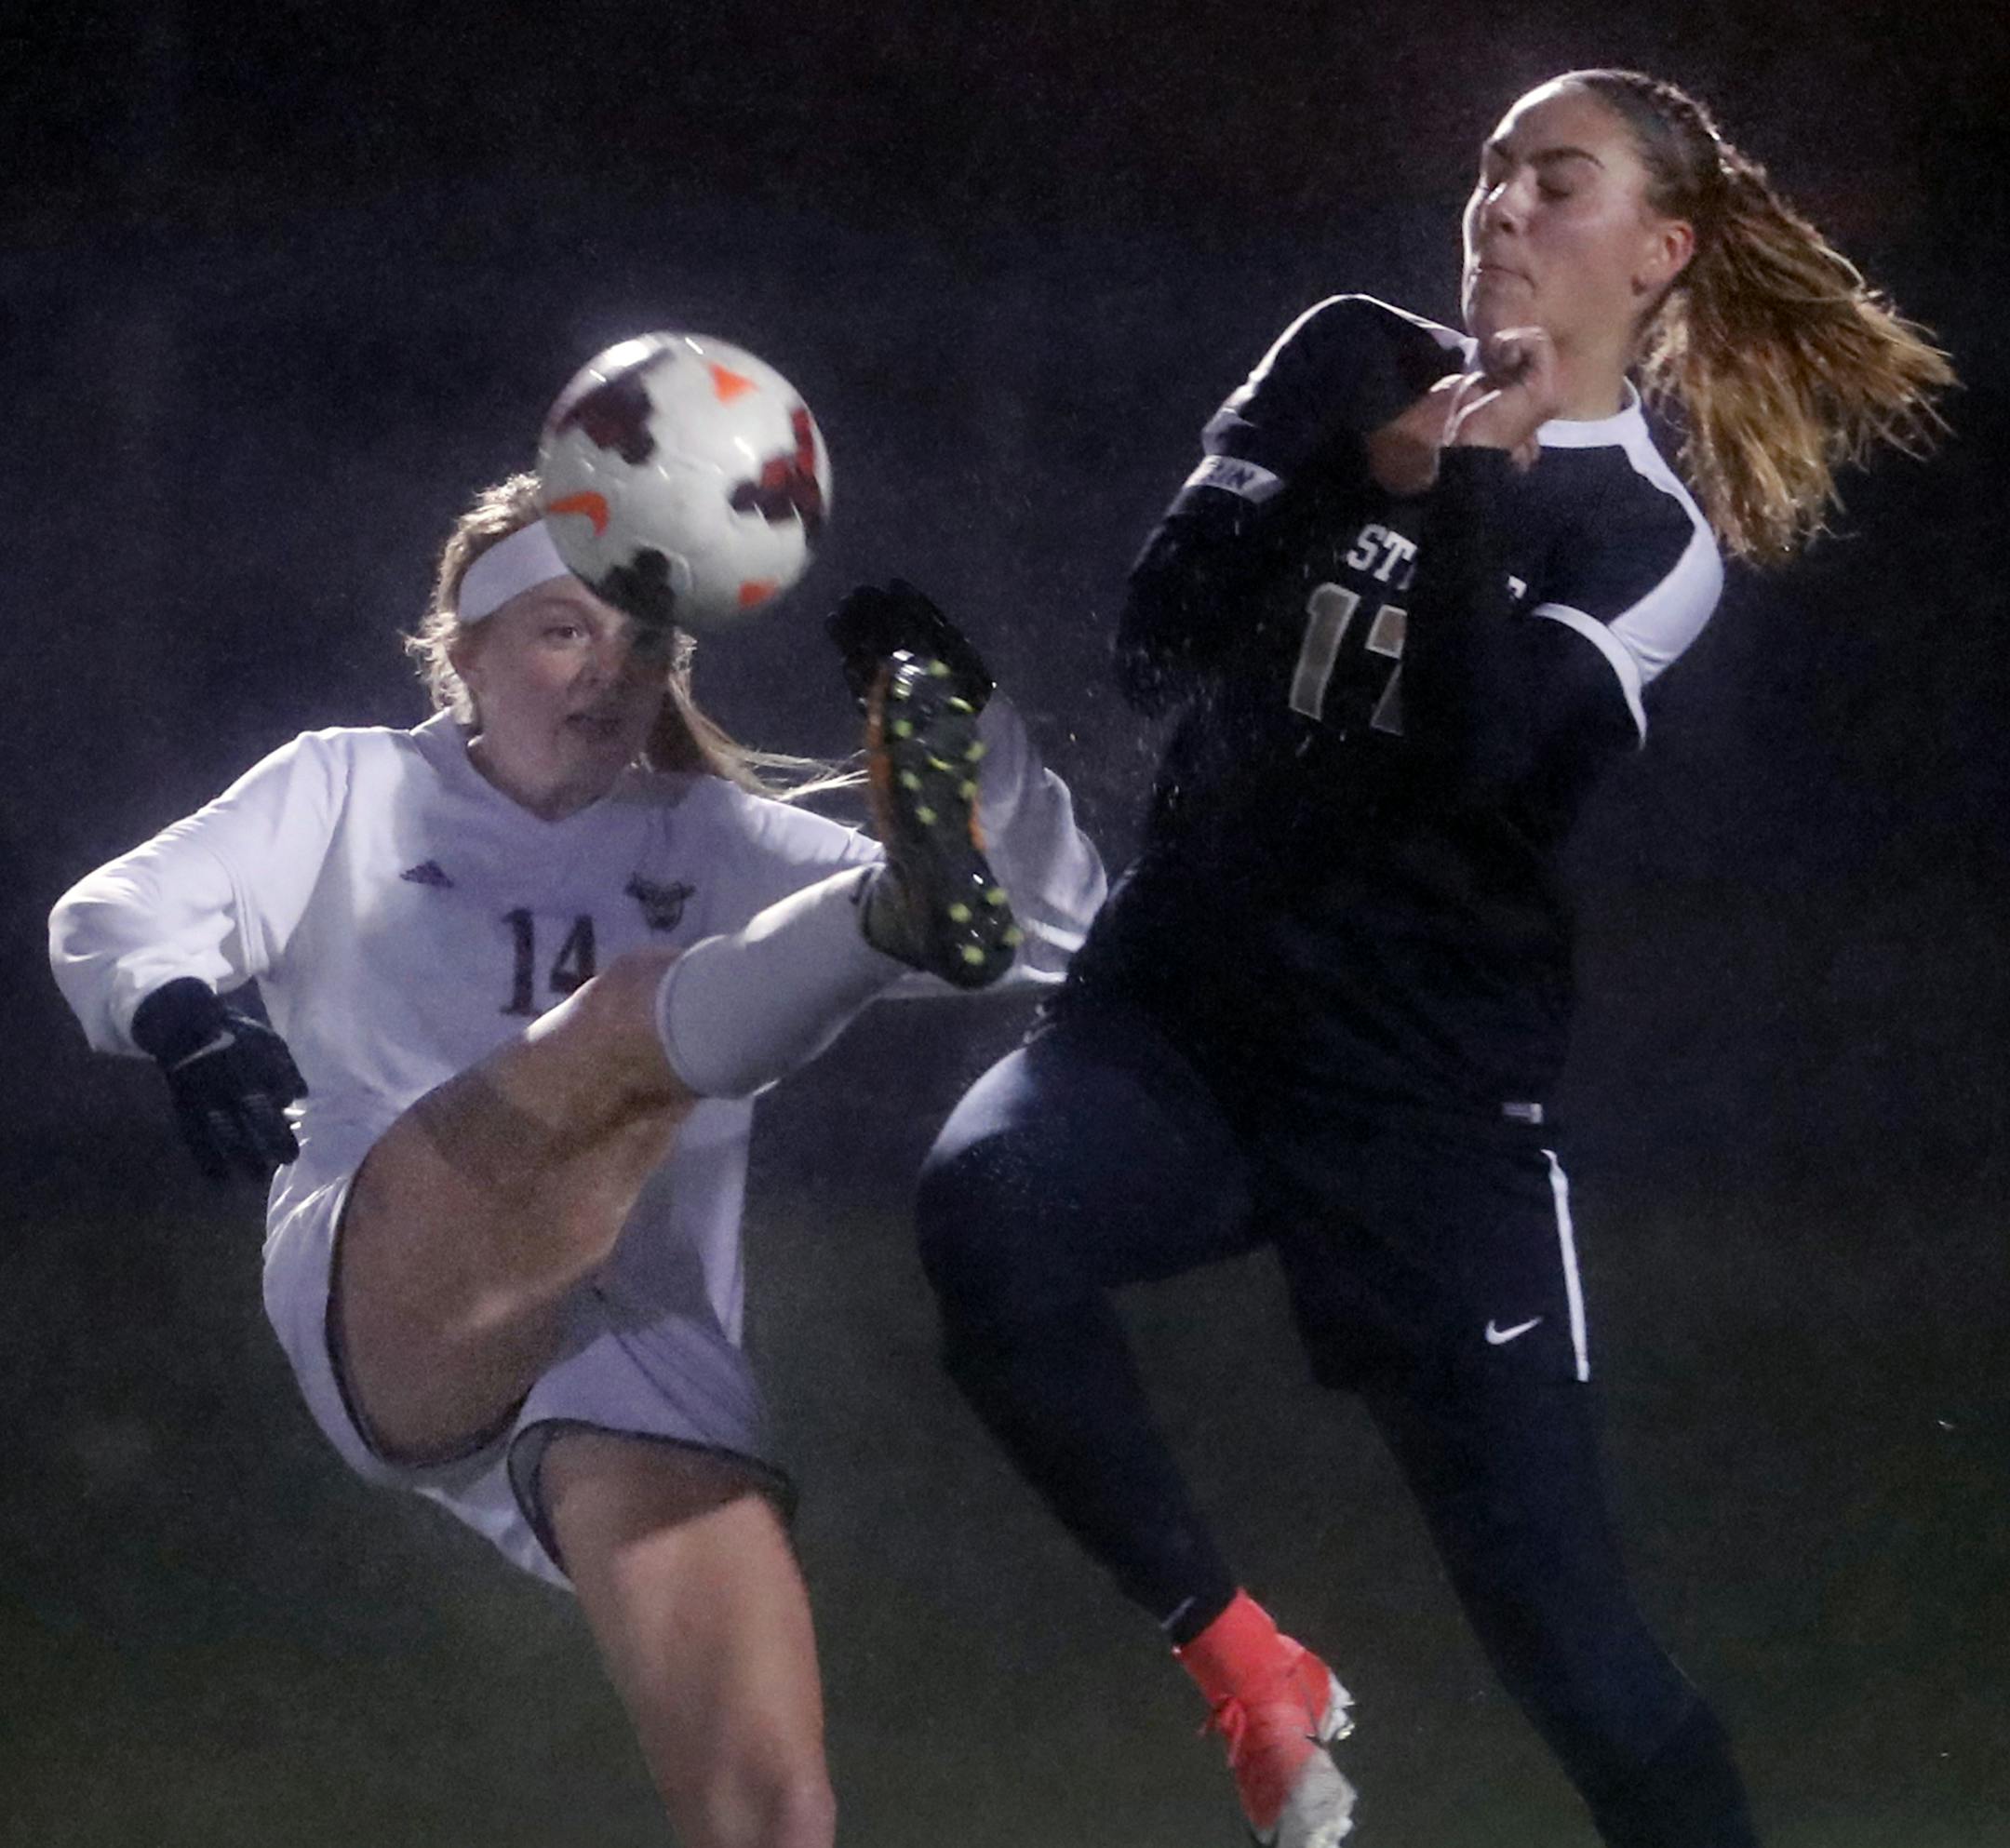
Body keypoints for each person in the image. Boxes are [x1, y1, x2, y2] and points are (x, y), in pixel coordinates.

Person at [914, 68, 1952, 1848]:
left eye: (1560, 183)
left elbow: (1479, 773)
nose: (1502, 208)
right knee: (984, 1206)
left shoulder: (1651, 539)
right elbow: (1157, 639)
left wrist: (1465, 488)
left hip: (1423, 1115)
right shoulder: (1345, 359)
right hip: (1182, 1027)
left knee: (1584, 1665)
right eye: (1492, 175)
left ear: (1659, 251)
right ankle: (1249, 1666)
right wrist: (1364, 465)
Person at [47, 475, 1106, 1848]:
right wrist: (176, 1009)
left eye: (644, 642)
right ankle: (886, 914)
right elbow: (113, 909)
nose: (608, 672)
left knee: (776, 1812)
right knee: (626, 1023)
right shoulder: (351, 785)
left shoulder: (711, 833)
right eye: (558, 630)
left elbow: (1054, 935)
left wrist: (992, 732)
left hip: (633, 1334)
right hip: (397, 1277)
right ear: (464, 649)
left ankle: (892, 909)